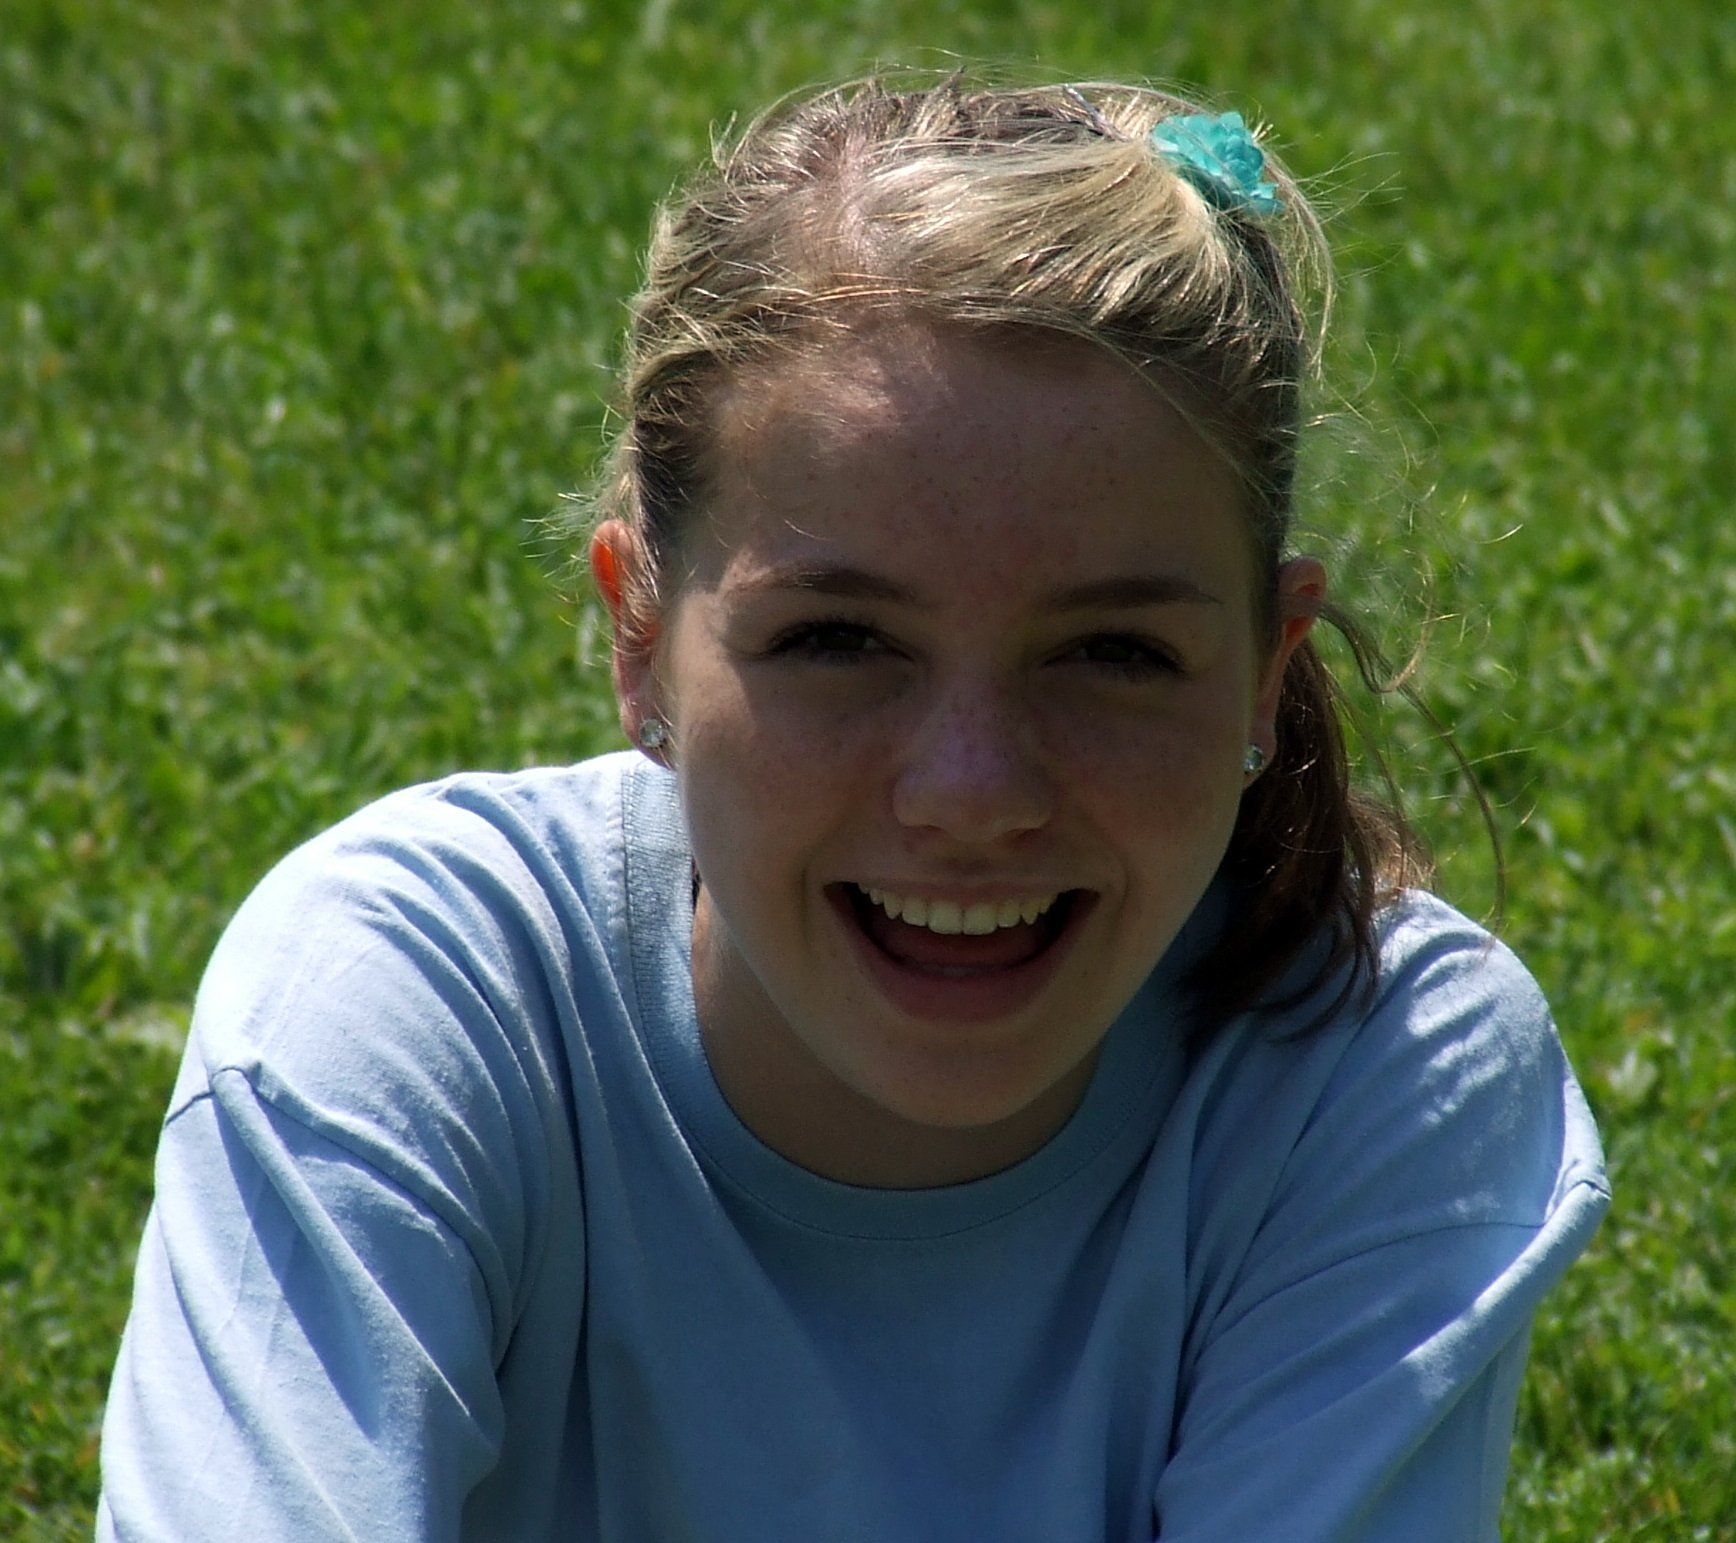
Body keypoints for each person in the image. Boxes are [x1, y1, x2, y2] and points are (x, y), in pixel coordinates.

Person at [97, 76, 1609, 1540]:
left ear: (1264, 676)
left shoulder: (1373, 1078)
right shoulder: (406, 1001)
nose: (972, 794)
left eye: (1113, 654)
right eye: (838, 640)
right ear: (640, 639)